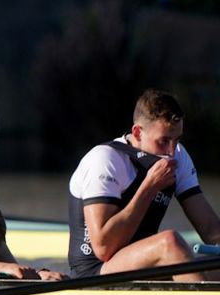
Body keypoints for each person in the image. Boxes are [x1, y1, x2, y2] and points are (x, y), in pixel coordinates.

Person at [68, 89, 220, 281]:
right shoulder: (105, 159)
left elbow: (210, 230)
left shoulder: (178, 154)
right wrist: (149, 187)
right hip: (95, 273)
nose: (172, 151)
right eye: (163, 141)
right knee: (170, 242)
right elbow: (103, 248)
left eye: (177, 139)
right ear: (138, 133)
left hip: (146, 267)